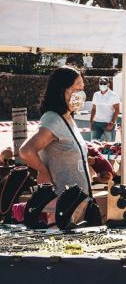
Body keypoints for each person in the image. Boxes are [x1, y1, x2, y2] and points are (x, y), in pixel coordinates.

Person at [20, 66, 91, 194]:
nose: (82, 94)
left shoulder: (68, 118)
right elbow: (26, 151)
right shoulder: (53, 119)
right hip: (63, 205)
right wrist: (43, 172)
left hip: (78, 203)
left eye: (82, 89)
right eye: (78, 89)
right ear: (63, 90)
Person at [90, 76, 120, 142]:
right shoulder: (96, 94)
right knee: (93, 143)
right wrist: (91, 122)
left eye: (104, 83)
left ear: (108, 84)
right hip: (96, 123)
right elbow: (93, 109)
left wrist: (112, 123)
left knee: (109, 145)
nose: (102, 85)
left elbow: (117, 110)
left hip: (108, 123)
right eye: (101, 83)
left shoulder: (113, 95)